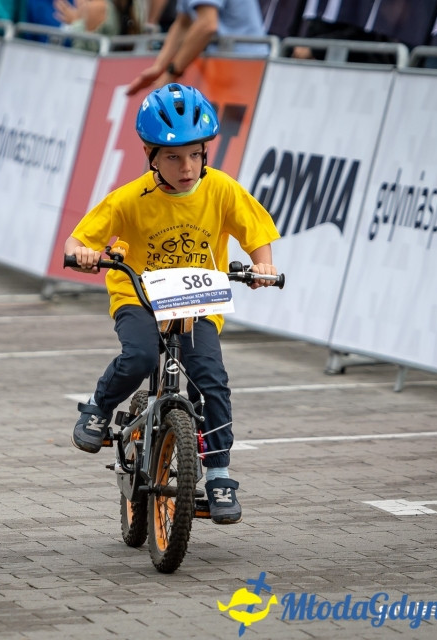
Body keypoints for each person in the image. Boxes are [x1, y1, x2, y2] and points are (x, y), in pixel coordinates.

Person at [65, 83, 279, 524]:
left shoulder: (220, 190)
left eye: (196, 155)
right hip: (140, 296)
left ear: (206, 153)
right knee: (141, 355)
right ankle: (98, 408)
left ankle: (218, 473)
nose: (187, 167)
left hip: (195, 301)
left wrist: (262, 267)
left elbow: (255, 230)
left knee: (211, 380)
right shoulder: (131, 197)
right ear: (149, 154)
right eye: (172, 156)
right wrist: (83, 252)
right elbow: (79, 238)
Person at [126, 0, 267, 95]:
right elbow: (183, 23)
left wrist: (171, 72)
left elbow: (207, 25)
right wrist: (158, 67)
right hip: (232, 63)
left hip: (244, 66)